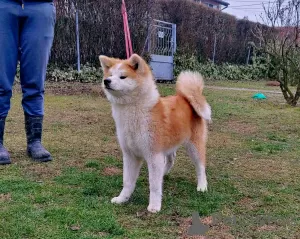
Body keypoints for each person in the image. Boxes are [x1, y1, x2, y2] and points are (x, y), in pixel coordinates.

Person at [0, 0, 56, 165]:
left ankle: (34, 142)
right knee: (1, 82)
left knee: (35, 81)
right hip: (4, 5)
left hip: (40, 7)